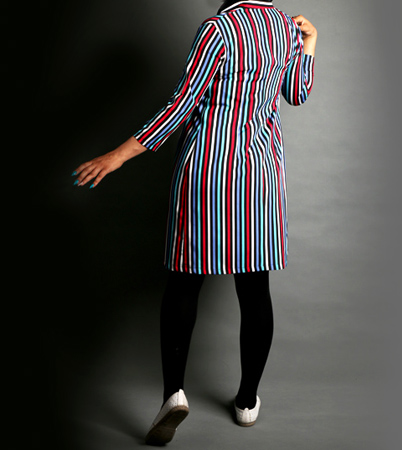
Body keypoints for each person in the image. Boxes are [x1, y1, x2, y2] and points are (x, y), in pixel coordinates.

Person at [72, 0, 317, 446]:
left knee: (185, 283)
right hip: (260, 173)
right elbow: (297, 93)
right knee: (255, 289)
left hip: (209, 172)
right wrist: (310, 44)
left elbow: (180, 105)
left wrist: (117, 156)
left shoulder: (218, 29)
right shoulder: (284, 28)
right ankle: (247, 401)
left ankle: (174, 395)